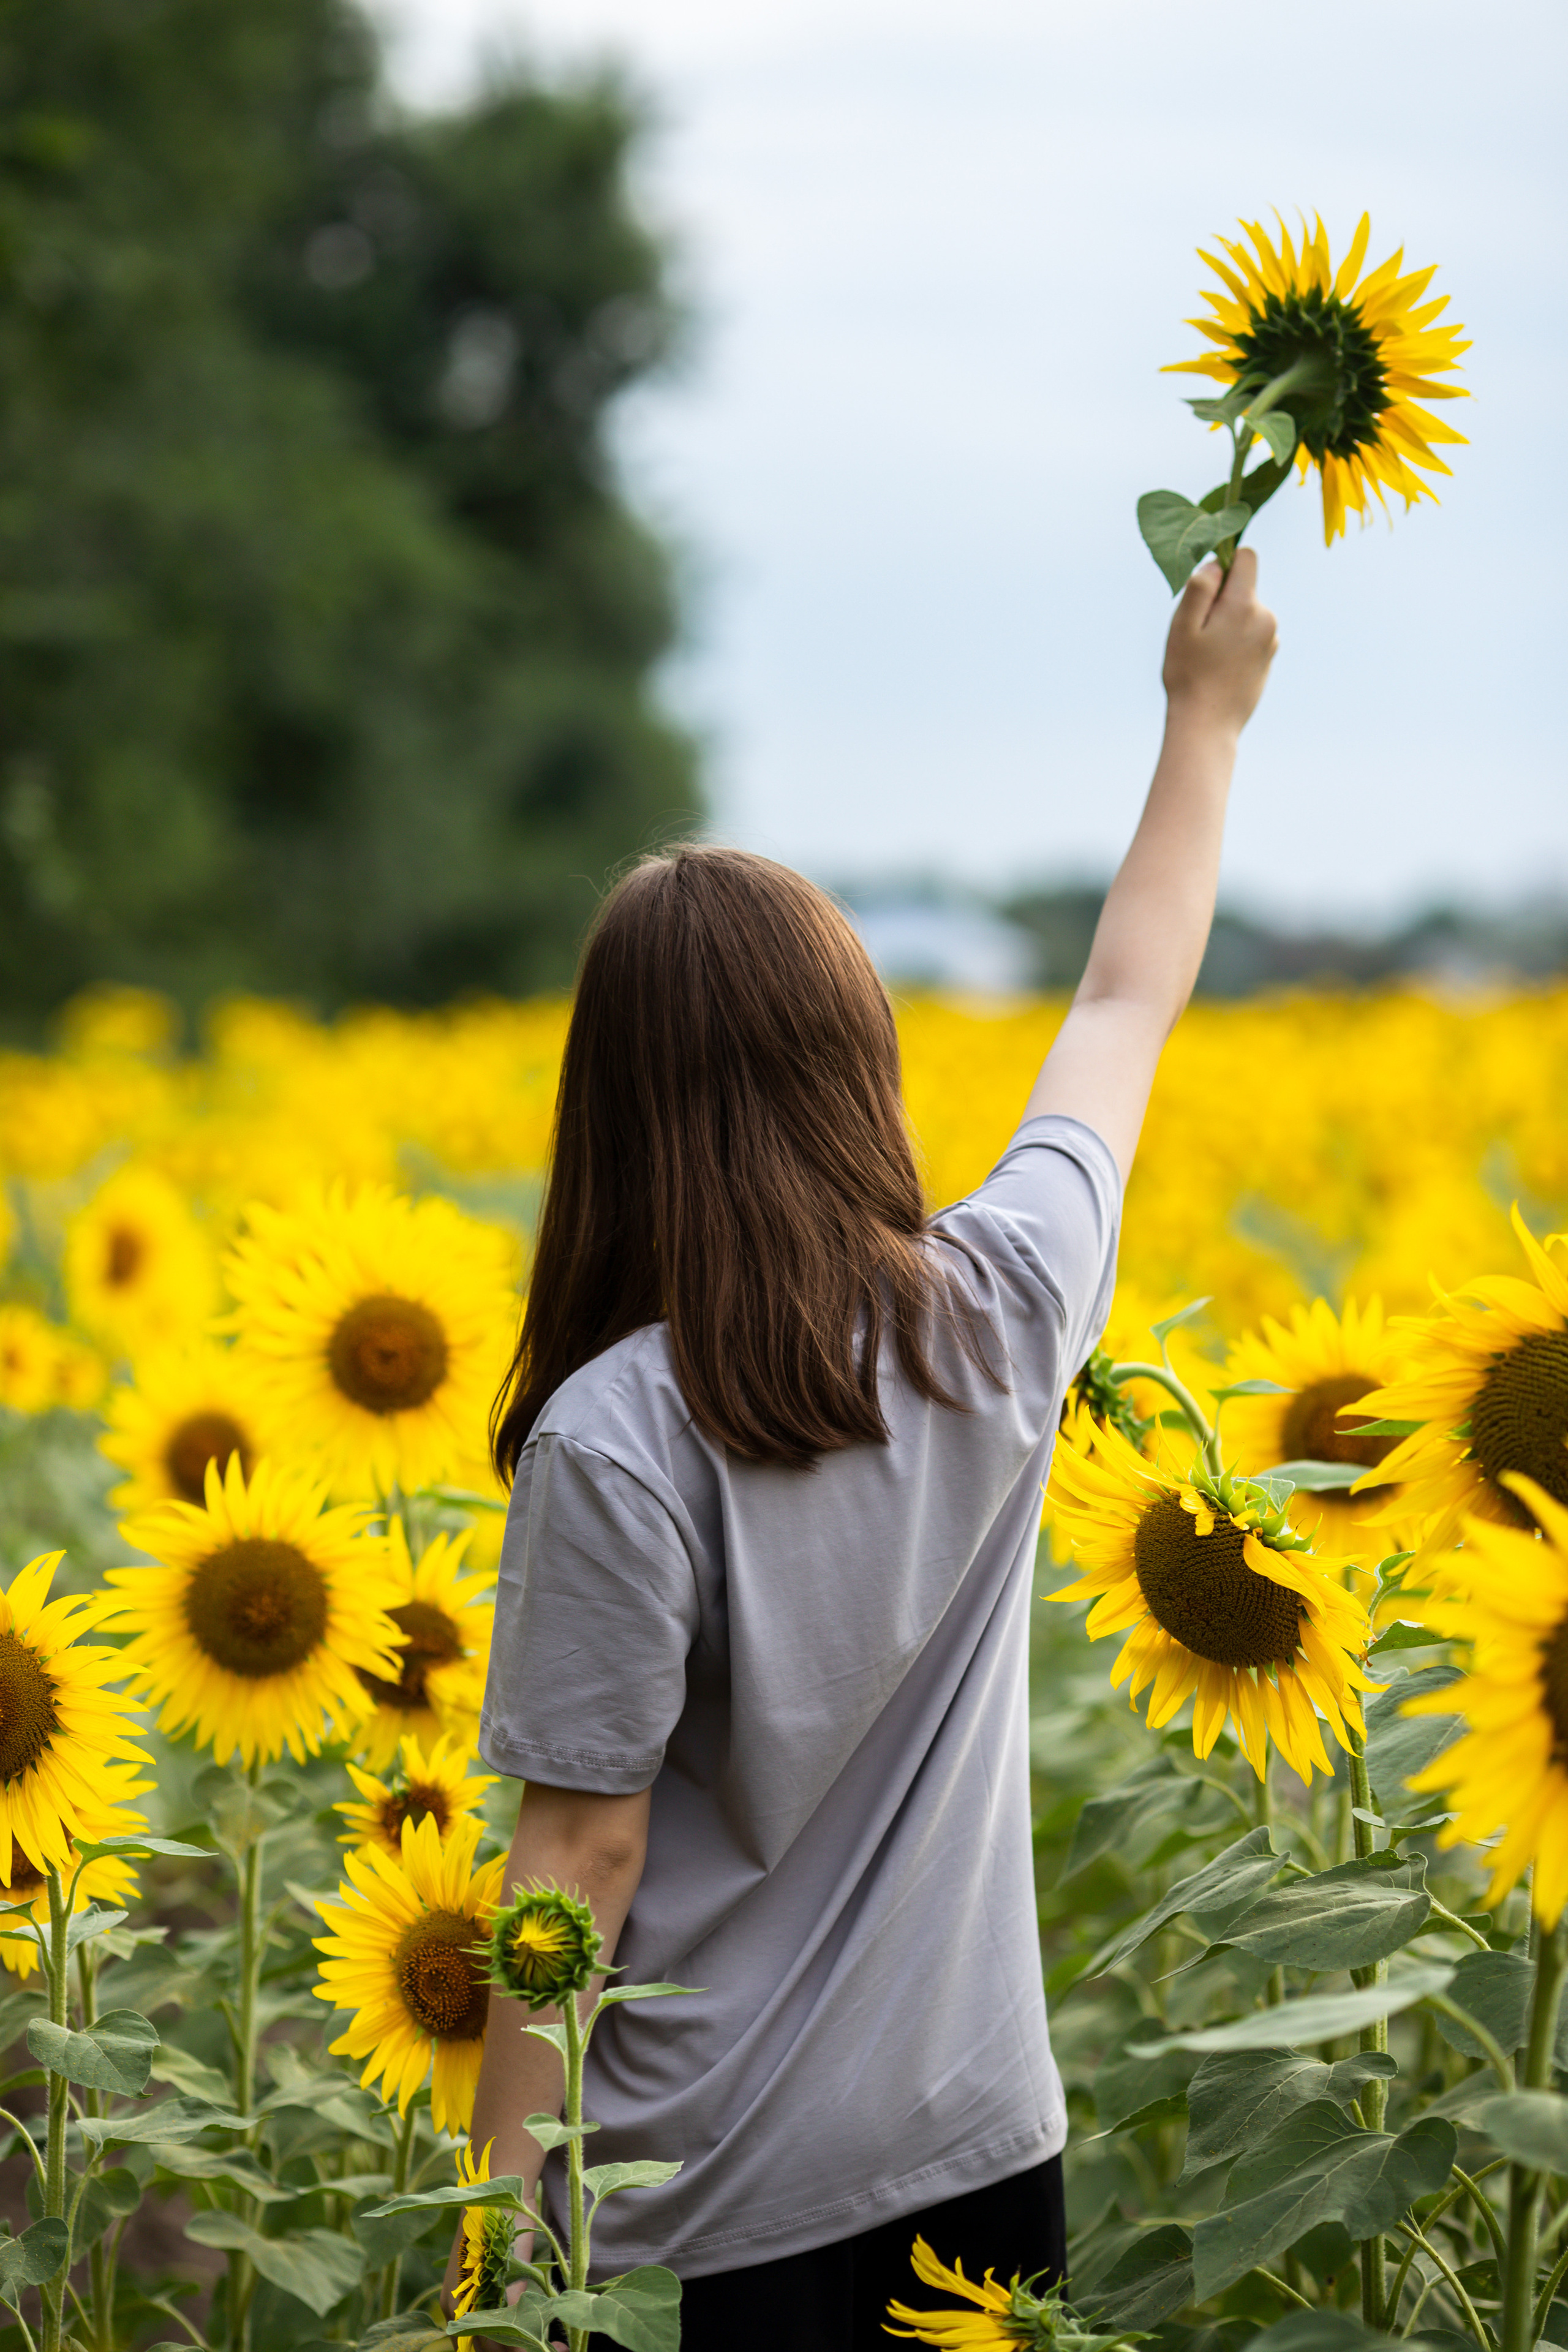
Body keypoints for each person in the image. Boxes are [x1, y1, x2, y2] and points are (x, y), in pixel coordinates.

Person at [446, 551, 1278, 2350]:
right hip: (981, 2161)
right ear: (860, 1062)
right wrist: (1203, 718)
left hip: (704, 2215)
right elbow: (1125, 1002)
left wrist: (489, 2262)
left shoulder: (616, 1434)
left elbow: (576, 1861)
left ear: (613, 1110)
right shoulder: (1004, 1303)